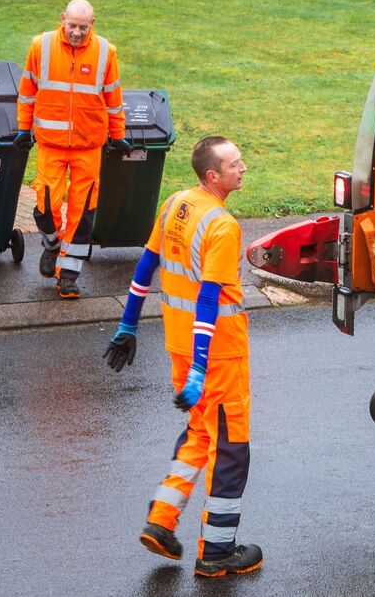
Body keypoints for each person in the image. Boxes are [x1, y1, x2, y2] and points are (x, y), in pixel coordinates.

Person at [103, 136, 262, 577]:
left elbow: (145, 267)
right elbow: (210, 298)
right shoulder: (222, 225)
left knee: (200, 432)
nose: (243, 168)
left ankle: (161, 521)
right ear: (213, 176)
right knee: (230, 448)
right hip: (218, 356)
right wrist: (200, 365)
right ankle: (217, 552)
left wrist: (128, 325)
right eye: (234, 164)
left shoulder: (177, 204)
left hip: (179, 345)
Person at [15, 0, 131, 299]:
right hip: (51, 145)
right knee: (46, 206)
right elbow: (27, 92)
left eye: (83, 27)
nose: (76, 32)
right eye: (72, 26)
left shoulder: (106, 52)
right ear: (63, 19)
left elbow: (113, 97)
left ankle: (68, 276)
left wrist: (118, 134)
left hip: (88, 145)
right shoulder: (40, 46)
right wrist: (23, 129)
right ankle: (52, 244)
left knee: (82, 212)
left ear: (93, 23)